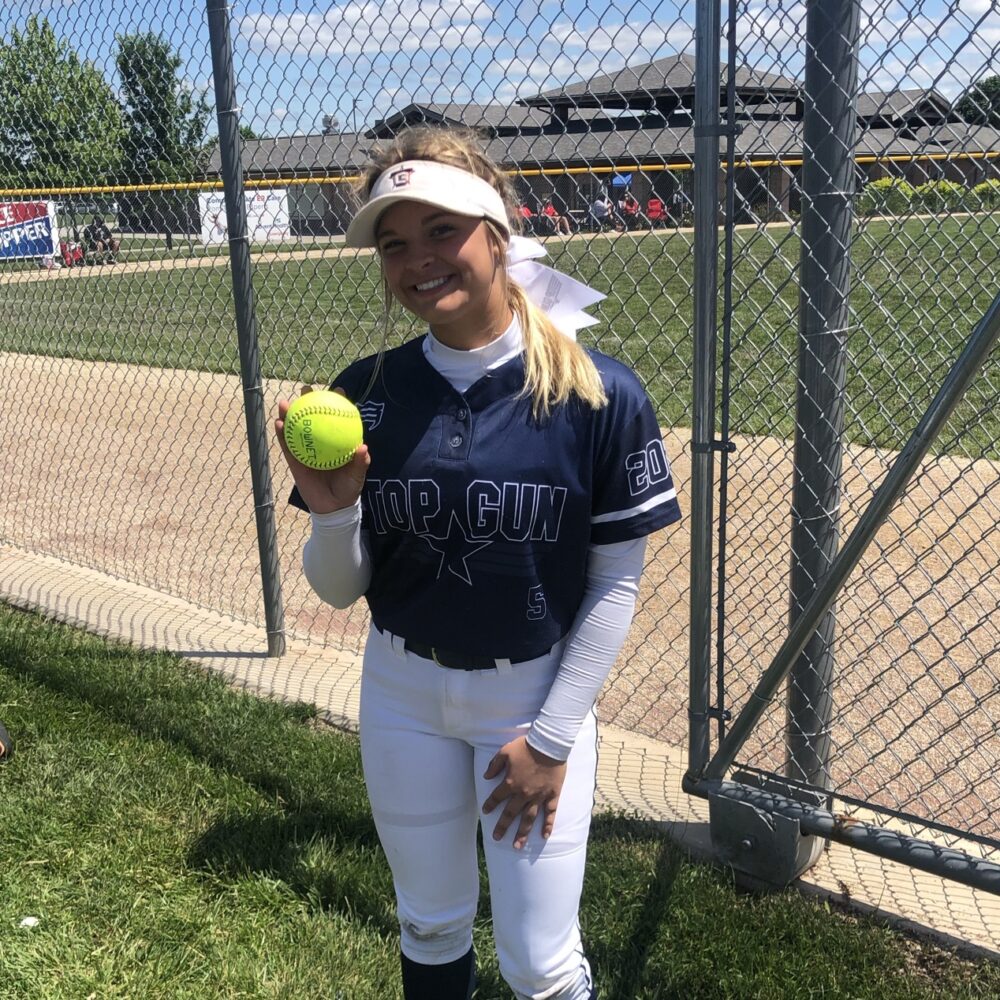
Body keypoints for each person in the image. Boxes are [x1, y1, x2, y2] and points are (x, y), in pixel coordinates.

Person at [275, 126, 681, 1000]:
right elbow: (340, 591)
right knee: (429, 921)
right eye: (394, 243)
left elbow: (614, 586)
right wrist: (334, 510)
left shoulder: (596, 392)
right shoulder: (365, 390)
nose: (417, 259)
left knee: (539, 963)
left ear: (497, 234)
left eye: (442, 230)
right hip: (401, 692)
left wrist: (551, 741)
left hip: (529, 700)